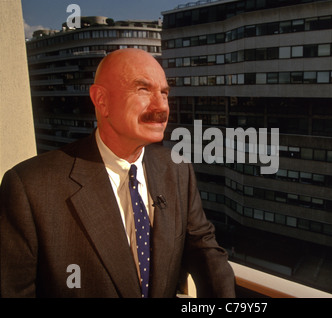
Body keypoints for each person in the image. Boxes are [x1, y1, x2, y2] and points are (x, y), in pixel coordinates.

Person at [0, 48, 236, 298]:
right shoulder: (29, 187)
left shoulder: (177, 168)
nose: (161, 106)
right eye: (143, 89)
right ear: (102, 100)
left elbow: (204, 249)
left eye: (164, 93)